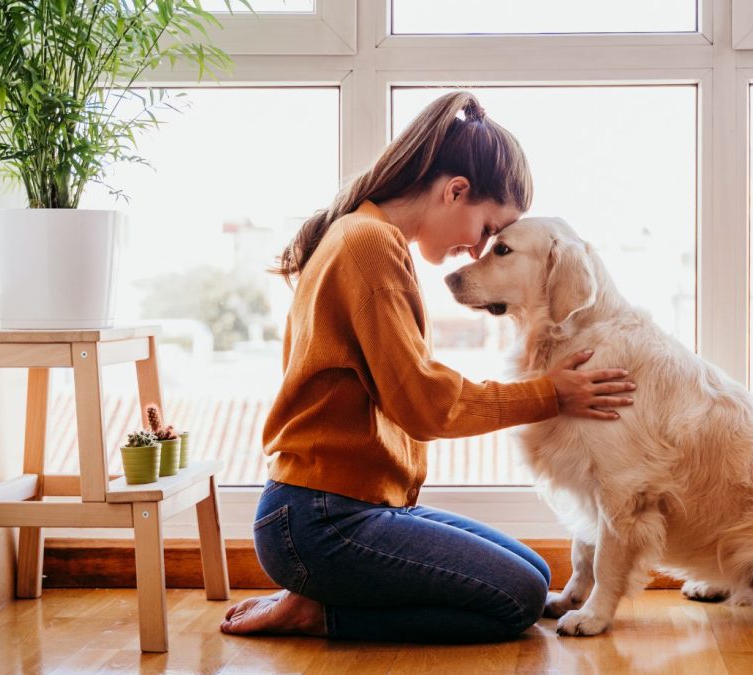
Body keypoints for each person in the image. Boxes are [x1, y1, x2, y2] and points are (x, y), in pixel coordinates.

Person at [219, 91, 635, 643]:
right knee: (517, 599)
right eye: (488, 229)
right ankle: (319, 611)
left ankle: (321, 591)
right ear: (455, 190)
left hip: (347, 509)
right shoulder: (368, 245)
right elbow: (424, 404)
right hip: (319, 520)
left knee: (535, 575)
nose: (477, 249)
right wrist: (549, 394)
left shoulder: (366, 235)